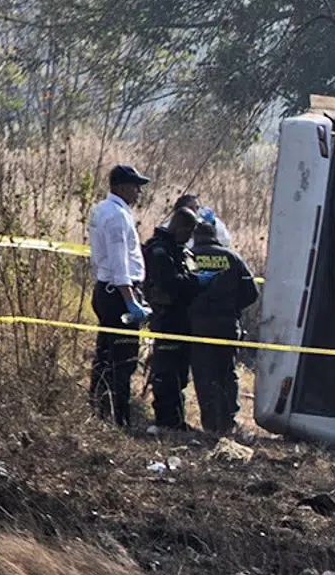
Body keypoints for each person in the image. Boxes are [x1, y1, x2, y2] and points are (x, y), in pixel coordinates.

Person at [88, 165, 152, 426]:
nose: (138, 191)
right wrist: (130, 301)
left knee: (104, 355)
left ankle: (99, 412)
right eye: (135, 185)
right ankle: (119, 418)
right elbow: (119, 263)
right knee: (123, 359)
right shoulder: (117, 217)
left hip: (106, 290)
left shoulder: (101, 209)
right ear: (121, 187)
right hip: (118, 294)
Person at [187, 221, 260, 435]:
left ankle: (209, 422)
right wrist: (232, 307)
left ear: (196, 236)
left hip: (198, 326)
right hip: (226, 325)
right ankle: (228, 421)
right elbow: (252, 291)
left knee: (203, 374)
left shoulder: (189, 256)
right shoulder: (231, 257)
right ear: (215, 236)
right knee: (226, 372)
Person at [142, 207, 205, 429]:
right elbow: (169, 283)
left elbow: (187, 274)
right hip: (166, 318)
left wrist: (195, 279)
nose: (189, 238)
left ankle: (176, 419)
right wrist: (196, 283)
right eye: (189, 232)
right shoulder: (160, 250)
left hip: (181, 318)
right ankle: (165, 419)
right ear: (180, 227)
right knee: (166, 369)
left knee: (179, 371)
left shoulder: (178, 250)